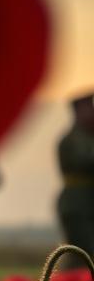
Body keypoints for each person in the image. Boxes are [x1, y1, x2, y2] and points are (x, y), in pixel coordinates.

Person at [57, 92, 94, 262]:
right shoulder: (70, 140)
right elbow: (85, 162)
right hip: (77, 206)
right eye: (88, 105)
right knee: (83, 256)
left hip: (88, 202)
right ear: (77, 109)